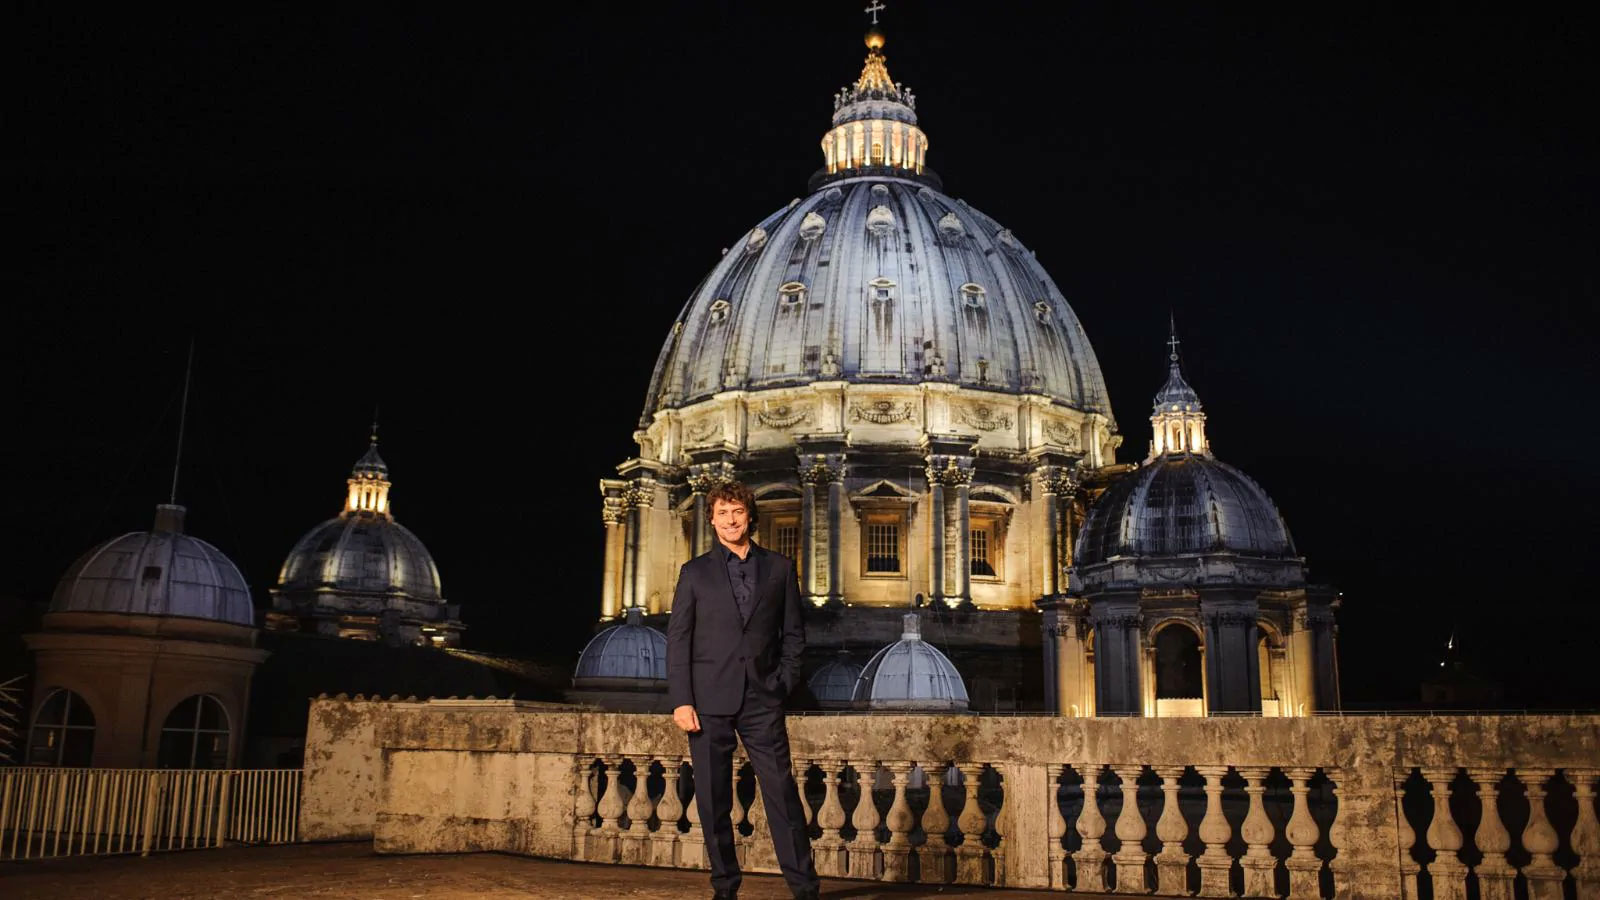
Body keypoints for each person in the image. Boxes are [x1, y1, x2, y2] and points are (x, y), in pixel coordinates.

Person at [667, 481, 821, 900]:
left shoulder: (779, 568)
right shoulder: (694, 572)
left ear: (749, 516)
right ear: (712, 518)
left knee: (782, 795)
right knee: (713, 799)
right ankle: (725, 887)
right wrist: (681, 699)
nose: (730, 520)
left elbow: (794, 634)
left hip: (762, 699)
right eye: (722, 513)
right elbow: (678, 638)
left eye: (737, 512)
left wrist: (782, 683)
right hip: (706, 700)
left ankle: (805, 888)